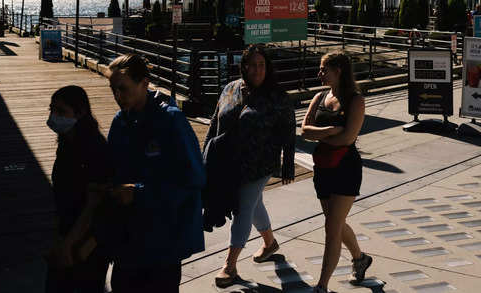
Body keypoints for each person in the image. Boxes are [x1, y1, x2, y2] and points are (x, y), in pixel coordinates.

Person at [106, 54, 205, 293]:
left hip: (164, 239)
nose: (117, 96)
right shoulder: (120, 122)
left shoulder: (171, 120)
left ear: (145, 83)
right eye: (113, 89)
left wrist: (138, 193)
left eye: (123, 89)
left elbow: (194, 179)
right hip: (129, 236)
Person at [206, 44, 296, 288]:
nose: (257, 70)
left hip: (259, 162)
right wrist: (205, 155)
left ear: (267, 67)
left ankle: (230, 265)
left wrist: (288, 165)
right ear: (243, 66)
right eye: (252, 65)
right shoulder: (230, 89)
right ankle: (270, 243)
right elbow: (215, 122)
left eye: (261, 65)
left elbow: (289, 132)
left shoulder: (277, 97)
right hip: (229, 161)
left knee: (243, 207)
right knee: (254, 203)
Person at [302, 52, 372, 293]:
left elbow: (349, 137)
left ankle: (322, 285)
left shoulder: (355, 100)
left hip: (346, 168)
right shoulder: (319, 96)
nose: (319, 73)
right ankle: (360, 258)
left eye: (324, 69)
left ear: (339, 70)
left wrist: (321, 135)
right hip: (323, 167)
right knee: (336, 223)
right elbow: (303, 130)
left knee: (332, 227)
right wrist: (330, 130)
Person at [45, 85, 113, 293]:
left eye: (61, 111)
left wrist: (68, 244)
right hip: (67, 231)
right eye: (52, 109)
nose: (53, 116)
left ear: (80, 112)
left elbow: (94, 205)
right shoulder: (66, 143)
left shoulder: (94, 149)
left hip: (87, 240)